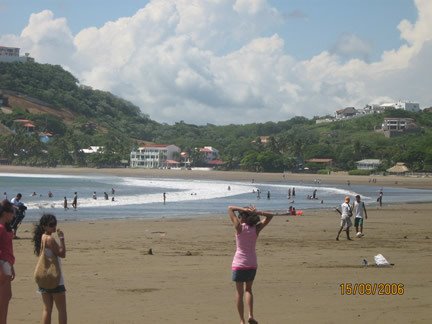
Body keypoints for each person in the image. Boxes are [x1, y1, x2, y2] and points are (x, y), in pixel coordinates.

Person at [228, 205, 274, 324]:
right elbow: (270, 216)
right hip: (252, 263)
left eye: (240, 215)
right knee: (248, 289)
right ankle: (251, 315)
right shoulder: (256, 228)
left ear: (242, 217)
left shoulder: (239, 227)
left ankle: (242, 321)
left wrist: (244, 210)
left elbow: (230, 208)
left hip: (239, 263)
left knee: (239, 293)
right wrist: (256, 212)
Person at [32, 214, 67, 324]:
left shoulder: (42, 237)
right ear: (44, 226)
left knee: (47, 309)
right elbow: (62, 254)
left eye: (55, 224)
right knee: (62, 310)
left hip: (44, 278)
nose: (54, 227)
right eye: (51, 225)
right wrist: (61, 238)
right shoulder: (50, 239)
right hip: (55, 278)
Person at [0, 200, 16, 324]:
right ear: (5, 213)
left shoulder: (5, 227)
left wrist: (11, 266)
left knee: (6, 297)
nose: (13, 214)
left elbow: (8, 249)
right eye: (12, 211)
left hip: (7, 264)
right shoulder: (0, 228)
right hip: (2, 265)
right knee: (3, 300)